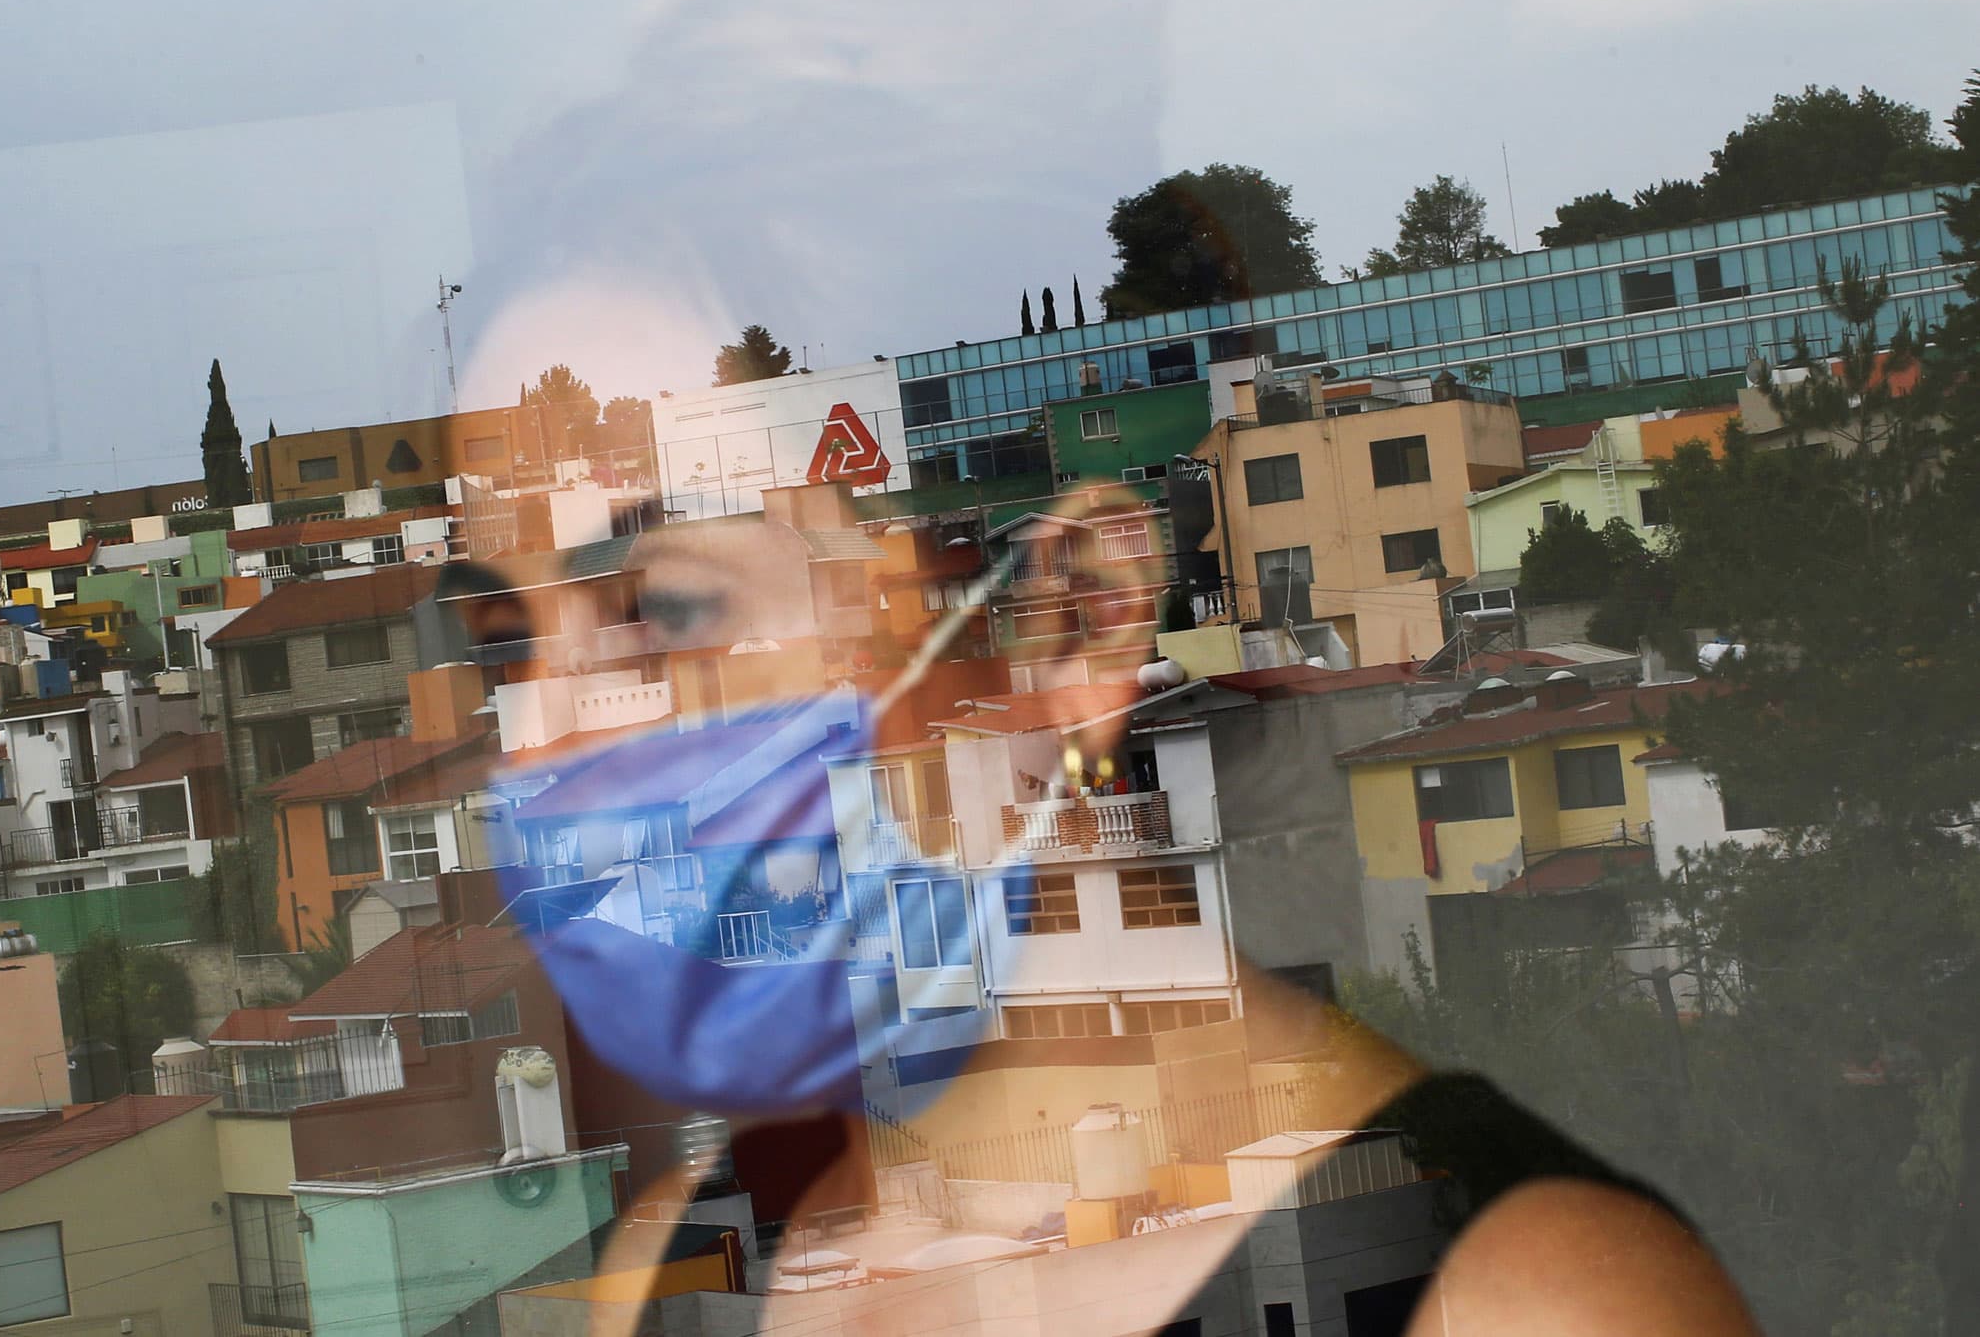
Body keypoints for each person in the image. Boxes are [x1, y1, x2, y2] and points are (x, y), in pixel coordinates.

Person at [449, 491, 1759, 1336]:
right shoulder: (678, 1269)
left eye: (674, 621)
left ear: (1076, 643)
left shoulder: (1532, 1284)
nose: (579, 752)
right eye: (528, 661)